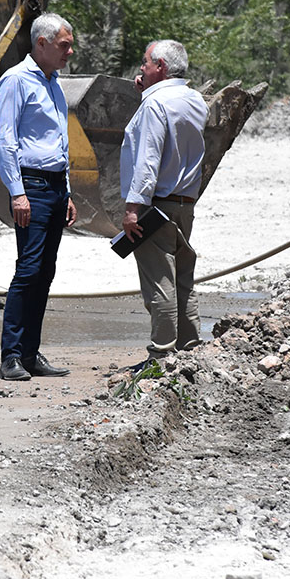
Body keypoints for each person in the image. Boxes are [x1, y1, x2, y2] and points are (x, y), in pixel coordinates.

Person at [0, 12, 77, 381]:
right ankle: (10, 355)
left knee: (46, 272)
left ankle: (30, 353)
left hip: (56, 186)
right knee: (28, 270)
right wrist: (17, 193)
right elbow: (6, 140)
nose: (70, 52)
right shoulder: (15, 80)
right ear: (40, 43)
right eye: (64, 45)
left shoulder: (54, 82)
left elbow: (60, 141)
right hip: (32, 186)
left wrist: (69, 191)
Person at [120, 40, 208, 360]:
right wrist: (146, 93)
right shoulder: (196, 100)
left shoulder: (154, 106)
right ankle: (190, 351)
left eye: (145, 62)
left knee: (159, 284)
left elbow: (147, 161)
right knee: (183, 279)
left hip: (157, 205)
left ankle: (161, 355)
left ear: (160, 67)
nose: (141, 68)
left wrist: (132, 209)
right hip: (186, 203)